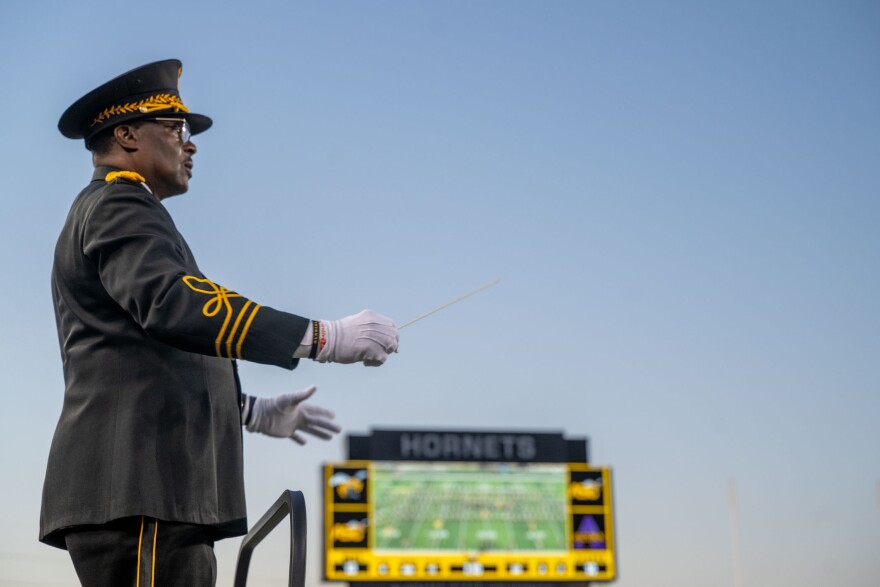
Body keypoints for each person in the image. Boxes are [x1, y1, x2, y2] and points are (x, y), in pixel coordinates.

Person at [40, 59, 399, 586]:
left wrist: (247, 412)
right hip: (141, 486)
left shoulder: (126, 210)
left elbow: (142, 351)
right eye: (177, 129)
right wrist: (322, 338)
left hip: (153, 492)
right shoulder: (119, 203)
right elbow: (173, 305)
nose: (191, 145)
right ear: (126, 135)